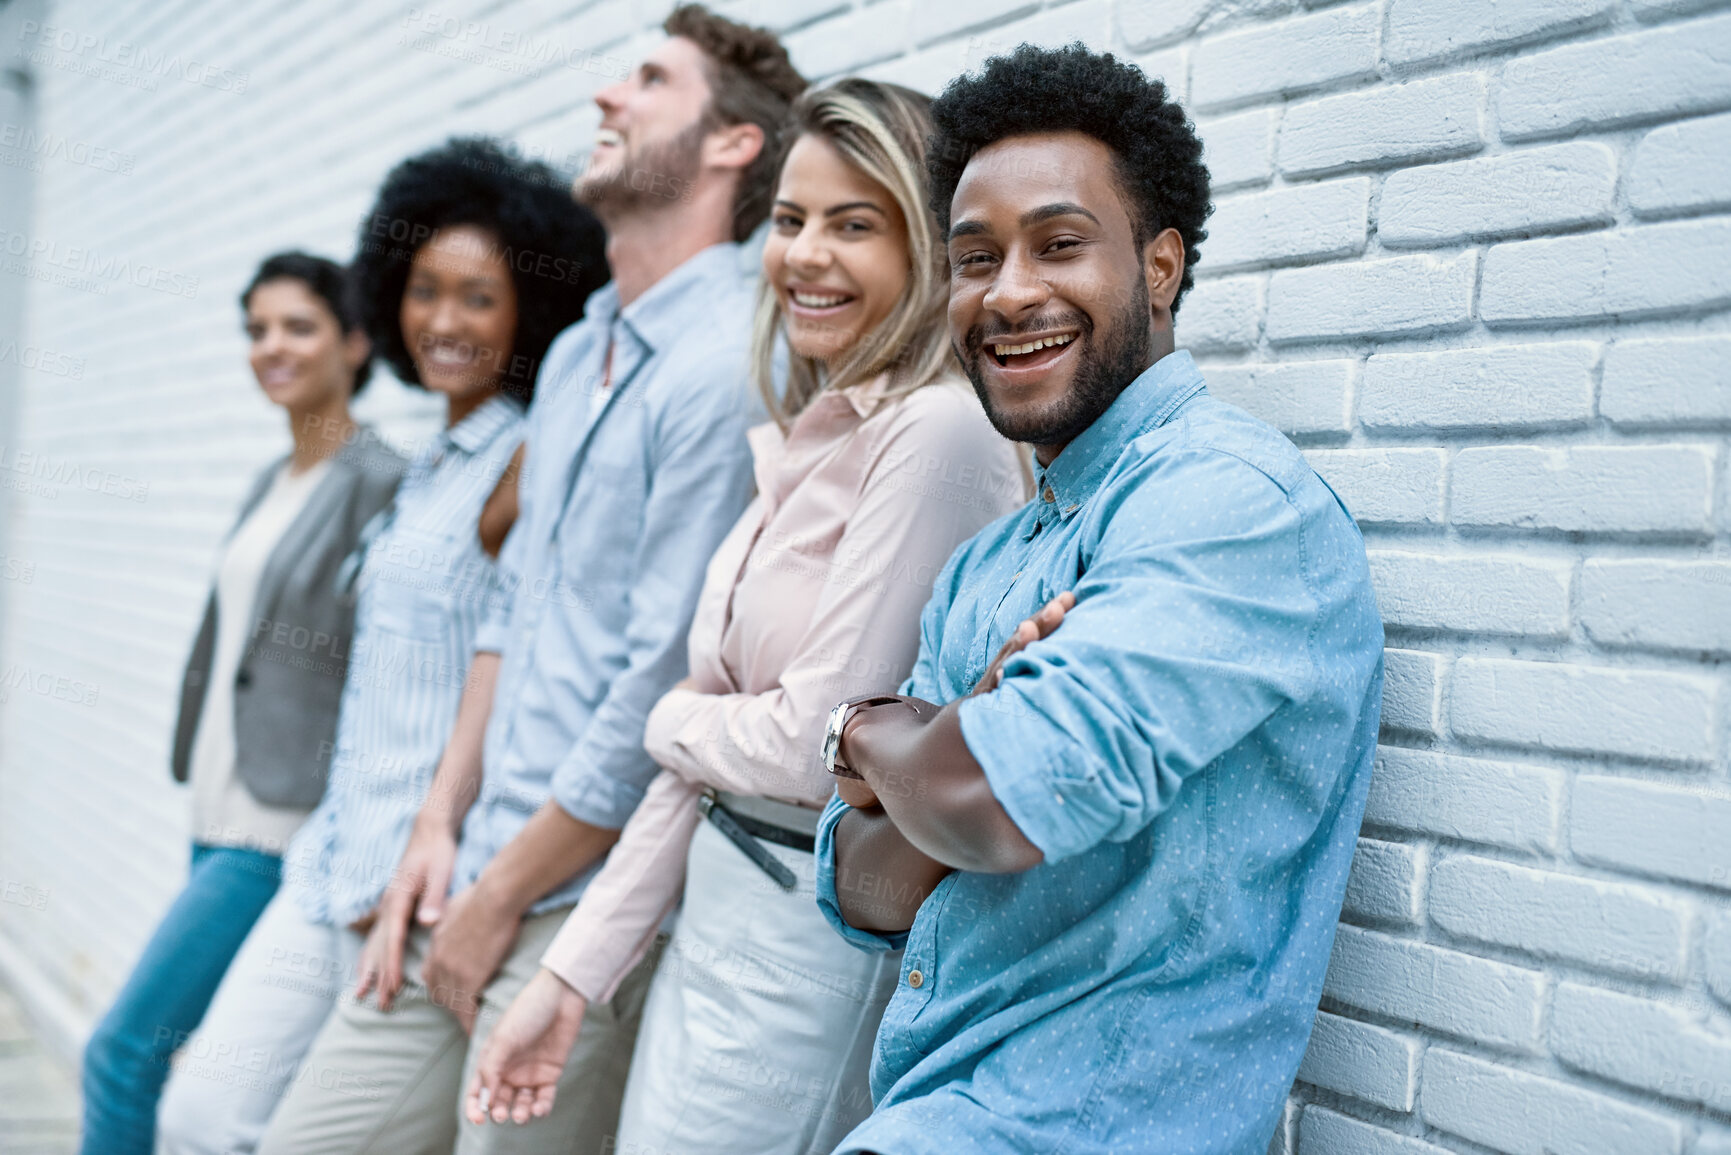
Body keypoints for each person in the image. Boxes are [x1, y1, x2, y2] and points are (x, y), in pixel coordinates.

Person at [813, 45, 1385, 1155]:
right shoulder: (988, 565)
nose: (1010, 290)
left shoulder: (1231, 504)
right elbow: (867, 889)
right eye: (975, 257)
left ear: (1161, 267)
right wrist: (939, 750)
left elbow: (988, 802)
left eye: (1059, 244)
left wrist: (867, 729)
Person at [257, 8, 805, 1153]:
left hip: (577, 907)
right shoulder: (572, 352)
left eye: (649, 81)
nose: (607, 98)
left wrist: (505, 892)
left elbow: (658, 678)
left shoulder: (725, 366)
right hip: (468, 869)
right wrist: (437, 826)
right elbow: (510, 610)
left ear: (730, 144)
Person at [465, 78, 1027, 1151]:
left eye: (853, 224)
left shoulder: (936, 436)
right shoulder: (813, 436)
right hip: (717, 907)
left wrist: (668, 721)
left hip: (799, 943)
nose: (805, 254)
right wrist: (570, 979)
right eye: (789, 220)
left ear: (925, 245)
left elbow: (818, 745)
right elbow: (716, 760)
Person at [153, 138, 608, 1155]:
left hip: (418, 878)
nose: (443, 321)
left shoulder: (528, 466)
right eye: (424, 290)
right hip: (332, 854)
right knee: (197, 1117)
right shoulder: (426, 465)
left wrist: (443, 839)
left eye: (478, 299)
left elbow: (520, 672)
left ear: (529, 311)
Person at [78, 252, 405, 1155]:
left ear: (356, 341)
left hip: (279, 825)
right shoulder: (274, 476)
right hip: (218, 805)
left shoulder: (380, 478)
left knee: (122, 1053)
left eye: (297, 326)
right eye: (256, 329)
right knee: (224, 1087)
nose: (271, 347)